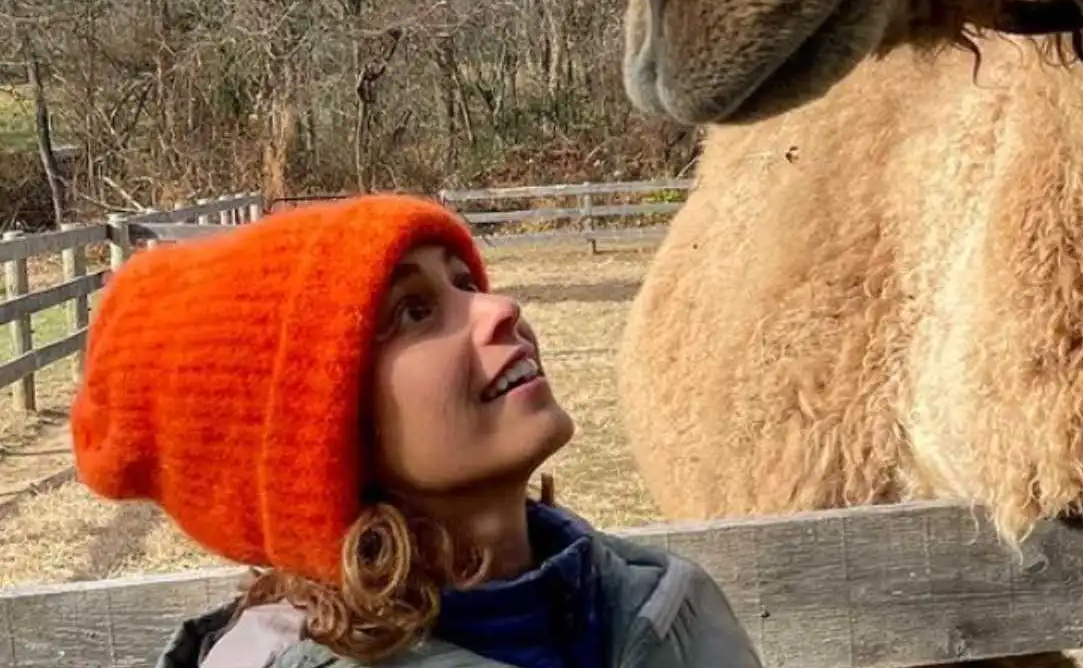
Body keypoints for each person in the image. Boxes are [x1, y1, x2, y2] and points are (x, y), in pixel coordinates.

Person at [69, 193, 764, 668]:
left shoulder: (665, 603)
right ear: (321, 442)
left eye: (466, 283)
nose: (498, 308)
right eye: (413, 312)